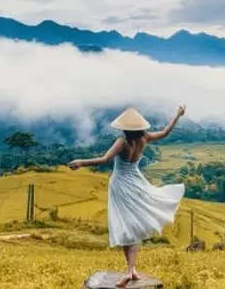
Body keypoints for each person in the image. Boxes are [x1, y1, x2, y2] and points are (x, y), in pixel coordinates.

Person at [68, 105, 186, 287]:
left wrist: (82, 162)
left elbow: (104, 159)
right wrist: (177, 114)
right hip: (136, 182)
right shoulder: (144, 137)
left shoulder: (122, 142)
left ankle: (130, 271)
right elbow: (164, 132)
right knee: (132, 227)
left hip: (121, 185)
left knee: (125, 225)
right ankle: (132, 269)